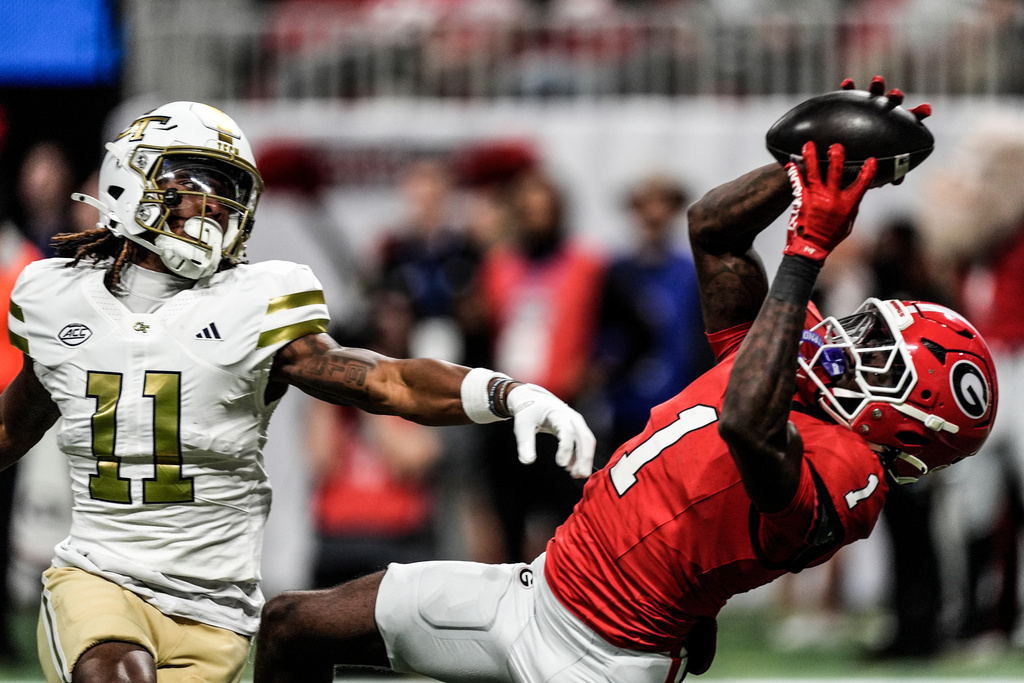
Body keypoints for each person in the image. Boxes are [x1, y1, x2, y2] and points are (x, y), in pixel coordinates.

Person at [251, 80, 999, 683]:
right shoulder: (788, 374)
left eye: (875, 353)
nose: (843, 340)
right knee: (292, 627)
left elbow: (747, 423)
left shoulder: (853, 476)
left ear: (909, 420)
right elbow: (713, 230)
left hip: (608, 658)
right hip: (533, 592)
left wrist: (806, 247)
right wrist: (809, 171)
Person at [0, 101, 595, 683]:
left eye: (227, 188)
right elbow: (14, 424)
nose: (213, 206)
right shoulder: (59, 298)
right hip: (98, 580)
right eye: (195, 184)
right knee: (117, 673)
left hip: (215, 607)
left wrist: (503, 392)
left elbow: (386, 380)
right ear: (129, 183)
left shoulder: (254, 302)